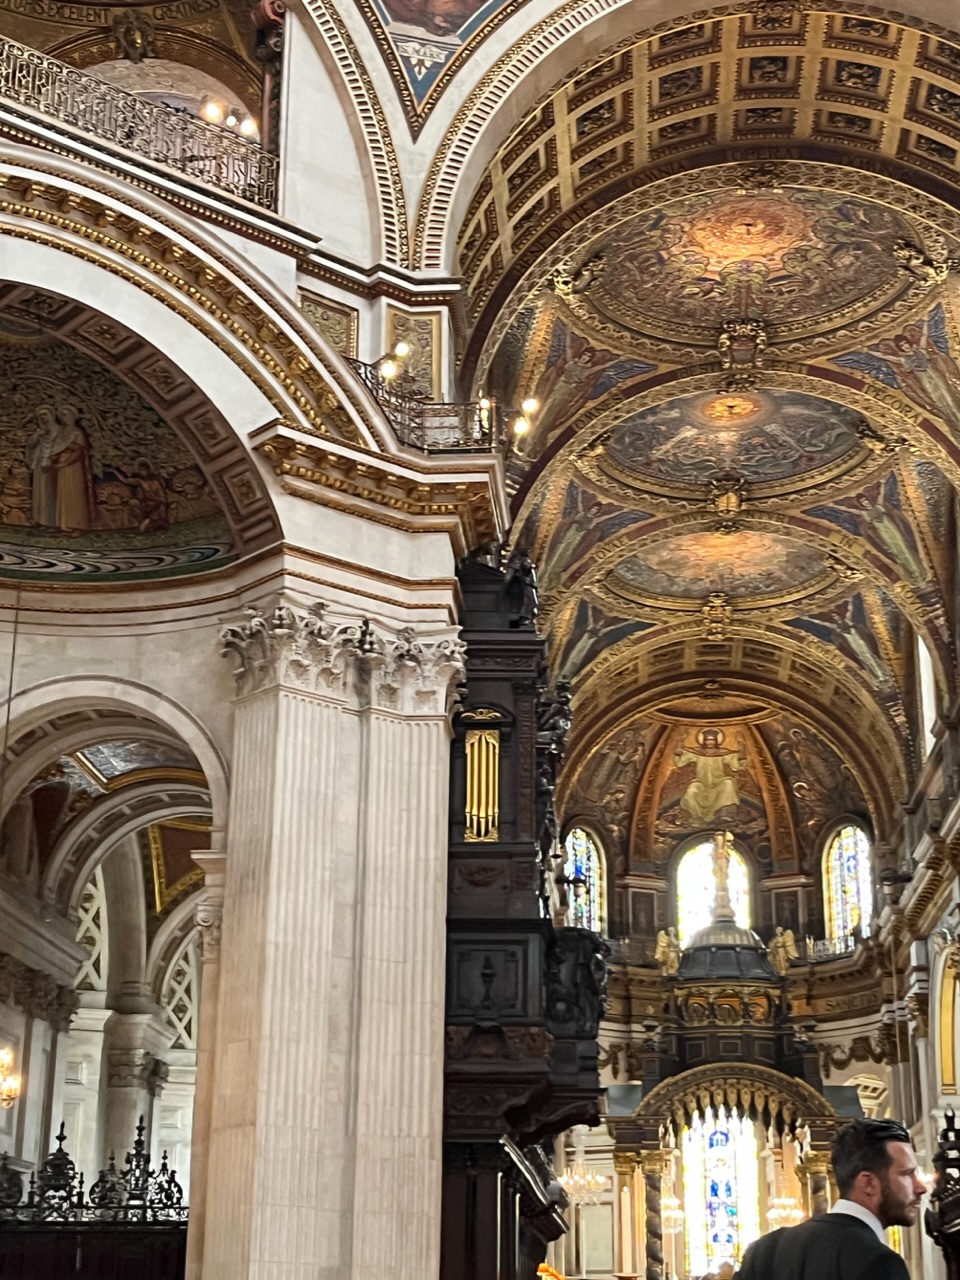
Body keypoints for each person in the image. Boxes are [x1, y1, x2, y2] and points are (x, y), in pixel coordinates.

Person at [735, 1118, 925, 1280]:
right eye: (907, 1174)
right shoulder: (880, 1262)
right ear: (868, 1183)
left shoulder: (764, 1250)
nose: (921, 1188)